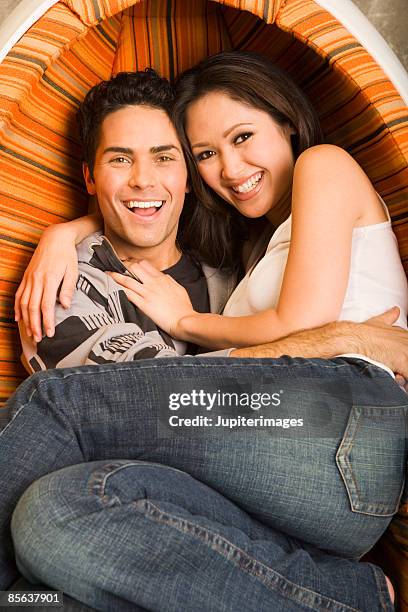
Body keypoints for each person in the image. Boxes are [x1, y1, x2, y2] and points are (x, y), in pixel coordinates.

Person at [4, 57, 407, 609]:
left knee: (57, 405)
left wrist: (185, 322)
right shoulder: (250, 251)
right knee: (58, 509)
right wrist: (65, 229)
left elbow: (298, 325)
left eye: (243, 137)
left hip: (344, 428)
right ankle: (345, 597)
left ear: (286, 120)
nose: (231, 168)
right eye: (206, 156)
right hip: (299, 492)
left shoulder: (324, 165)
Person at [18, 69, 235, 372]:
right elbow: (154, 392)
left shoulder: (233, 269)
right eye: (120, 159)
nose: (143, 180)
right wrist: (310, 348)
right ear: (90, 178)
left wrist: (65, 231)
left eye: (163, 158)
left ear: (189, 175)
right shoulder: (61, 285)